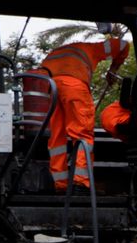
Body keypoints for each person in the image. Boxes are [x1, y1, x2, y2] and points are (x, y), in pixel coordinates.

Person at [39, 25, 130, 191]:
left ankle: (60, 183)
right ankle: (80, 181)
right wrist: (113, 69)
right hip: (73, 86)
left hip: (50, 87)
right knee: (81, 133)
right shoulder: (92, 49)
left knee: (57, 136)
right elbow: (123, 45)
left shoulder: (57, 53)